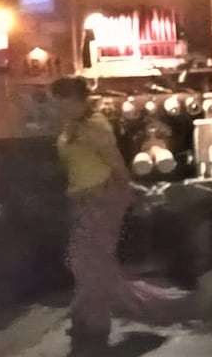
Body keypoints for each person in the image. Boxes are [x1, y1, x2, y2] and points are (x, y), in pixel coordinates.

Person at [52, 77, 151, 354]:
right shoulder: (73, 125)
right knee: (83, 259)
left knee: (89, 260)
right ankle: (90, 314)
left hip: (101, 197)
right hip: (83, 198)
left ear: (75, 100)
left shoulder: (95, 126)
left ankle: (94, 322)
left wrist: (127, 189)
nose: (58, 107)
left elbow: (115, 161)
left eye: (62, 102)